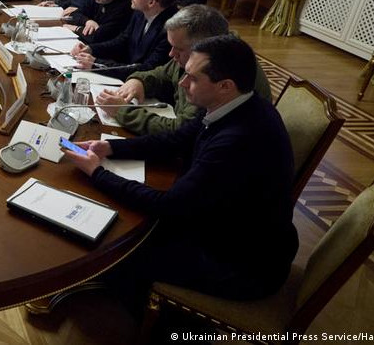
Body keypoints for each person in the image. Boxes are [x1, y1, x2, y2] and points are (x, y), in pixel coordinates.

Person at [63, 35, 298, 306]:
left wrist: (97, 173)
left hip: (239, 264)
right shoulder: (232, 104)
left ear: (225, 86)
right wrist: (110, 148)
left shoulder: (237, 140)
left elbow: (167, 205)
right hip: (221, 226)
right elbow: (175, 141)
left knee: (114, 250)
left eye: (193, 78)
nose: (182, 83)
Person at [99, 4, 272, 135]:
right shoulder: (201, 52)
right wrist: (139, 81)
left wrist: (123, 111)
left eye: (178, 49)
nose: (171, 54)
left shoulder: (218, 71)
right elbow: (162, 73)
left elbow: (181, 130)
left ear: (203, 46)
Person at [71, 0, 179, 78]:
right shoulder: (140, 11)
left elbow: (147, 69)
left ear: (151, 2)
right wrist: (91, 49)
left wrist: (96, 64)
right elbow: (122, 41)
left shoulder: (171, 30)